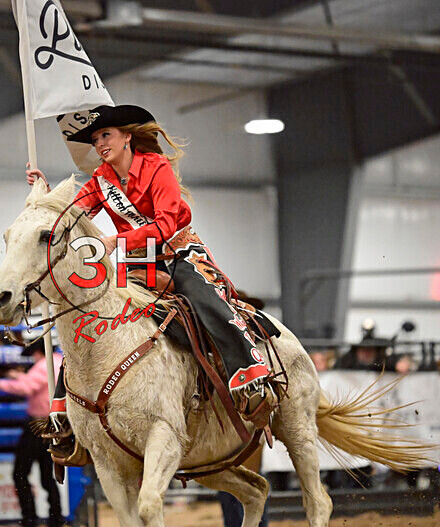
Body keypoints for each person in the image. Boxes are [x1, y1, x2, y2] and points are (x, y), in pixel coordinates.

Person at [25, 104, 276, 428]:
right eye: (96, 139)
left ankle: (250, 377)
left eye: (106, 135)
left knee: (204, 301)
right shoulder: (101, 180)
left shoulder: (156, 167)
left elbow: (167, 224)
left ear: (127, 137)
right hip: (137, 261)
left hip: (177, 253)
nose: (100, 143)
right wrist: (44, 191)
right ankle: (65, 414)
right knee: (92, 317)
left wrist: (118, 241)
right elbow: (72, 214)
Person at [0, 339, 64, 527]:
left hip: (38, 425)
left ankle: (29, 521)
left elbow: (27, 387)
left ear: (36, 352)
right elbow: (38, 382)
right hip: (56, 425)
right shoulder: (58, 361)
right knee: (47, 475)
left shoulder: (42, 365)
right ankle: (56, 521)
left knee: (20, 472)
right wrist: (20, 376)